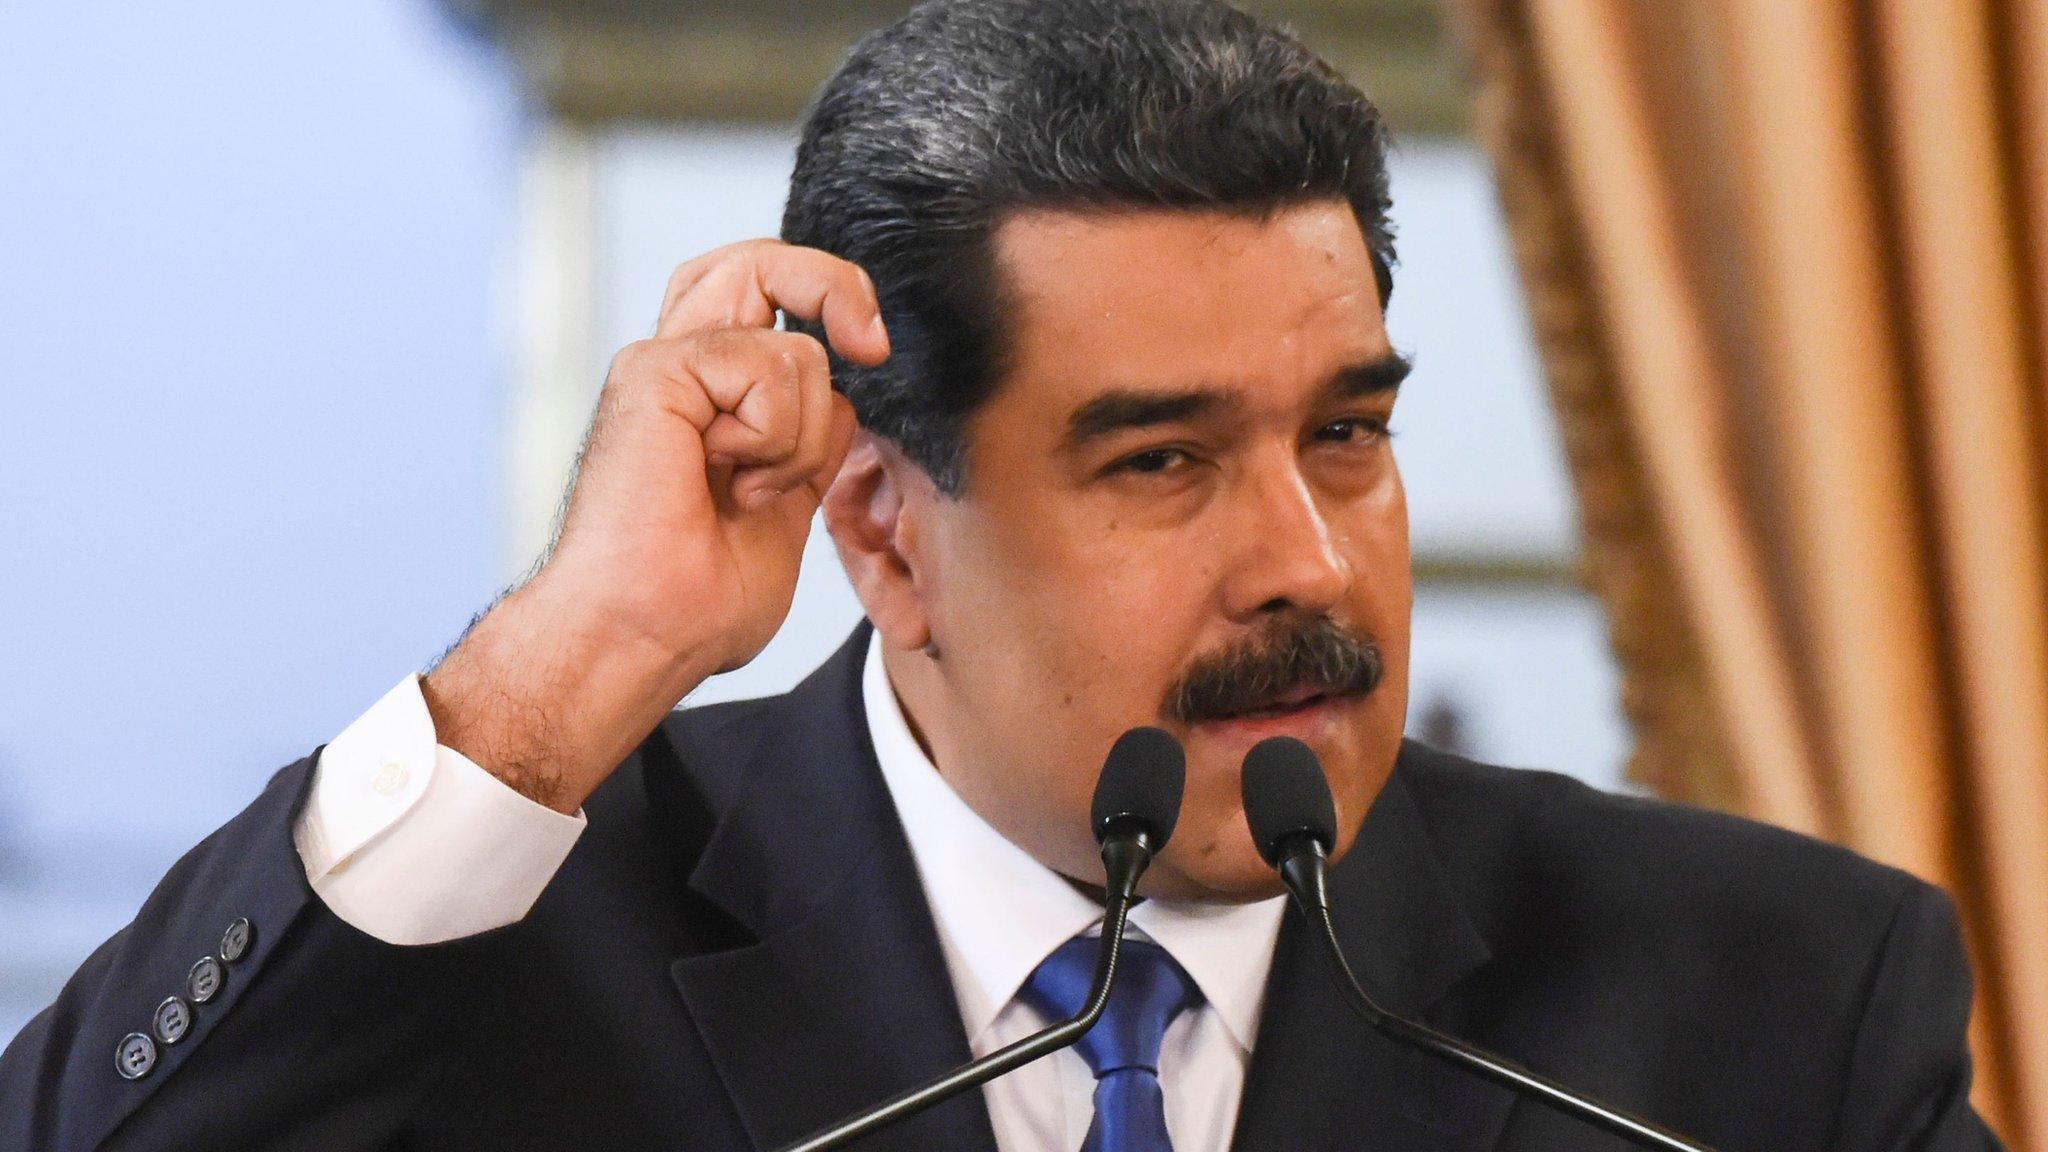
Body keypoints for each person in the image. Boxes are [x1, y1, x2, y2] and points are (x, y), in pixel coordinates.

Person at [0, 1, 2002, 1149]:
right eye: (1160, 461)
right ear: (881, 526)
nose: (1304, 563)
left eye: (1346, 433)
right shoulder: (500, 980)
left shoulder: (1774, 1009)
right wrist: (576, 653)